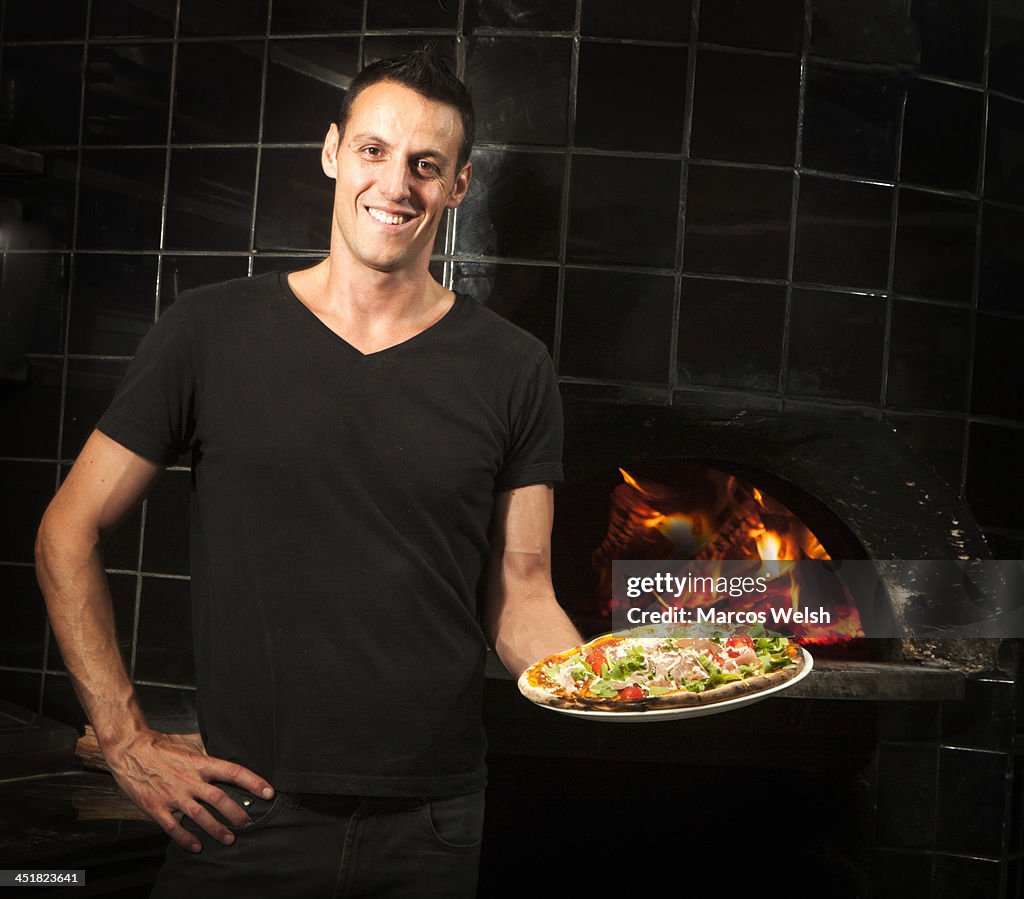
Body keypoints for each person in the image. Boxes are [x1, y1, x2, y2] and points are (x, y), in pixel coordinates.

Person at [34, 48, 582, 897]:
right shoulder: (208, 331)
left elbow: (523, 593)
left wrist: (608, 686)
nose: (396, 185)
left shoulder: (515, 367)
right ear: (332, 152)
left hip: (431, 823)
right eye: (374, 150)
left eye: (425, 166)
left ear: (459, 187)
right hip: (242, 810)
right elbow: (67, 529)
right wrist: (125, 738)